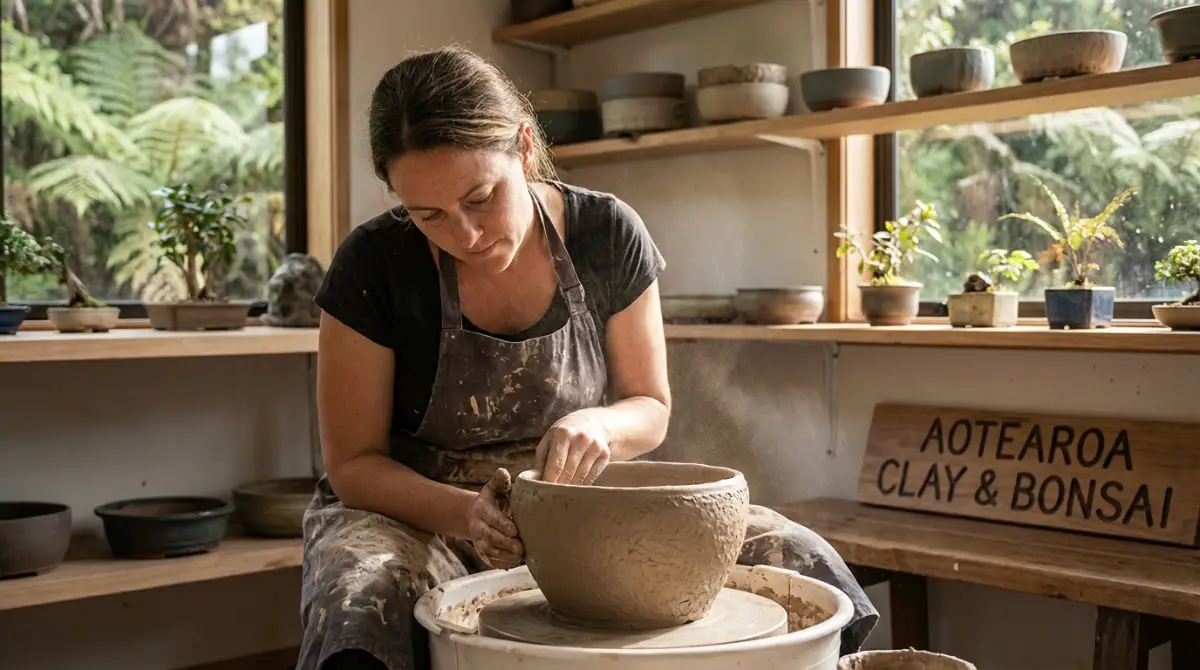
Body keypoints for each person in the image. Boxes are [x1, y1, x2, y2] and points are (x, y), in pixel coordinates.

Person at [299, 45, 878, 670]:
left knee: (798, 558)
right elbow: (353, 464)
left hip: (579, 508)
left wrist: (601, 424)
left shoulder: (607, 233)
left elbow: (650, 406)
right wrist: (468, 514)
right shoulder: (374, 265)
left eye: (480, 198)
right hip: (420, 514)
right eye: (428, 215)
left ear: (523, 149)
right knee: (365, 597)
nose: (464, 236)